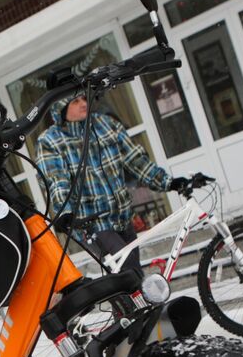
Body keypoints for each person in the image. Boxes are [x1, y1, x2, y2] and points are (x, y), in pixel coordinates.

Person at [35, 92, 199, 261]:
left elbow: (135, 161)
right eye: (75, 101)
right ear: (61, 109)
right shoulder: (50, 141)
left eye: (84, 99)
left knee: (132, 277)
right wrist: (65, 212)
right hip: (93, 223)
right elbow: (56, 180)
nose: (83, 103)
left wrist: (169, 183)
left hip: (123, 217)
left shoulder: (105, 124)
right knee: (128, 270)